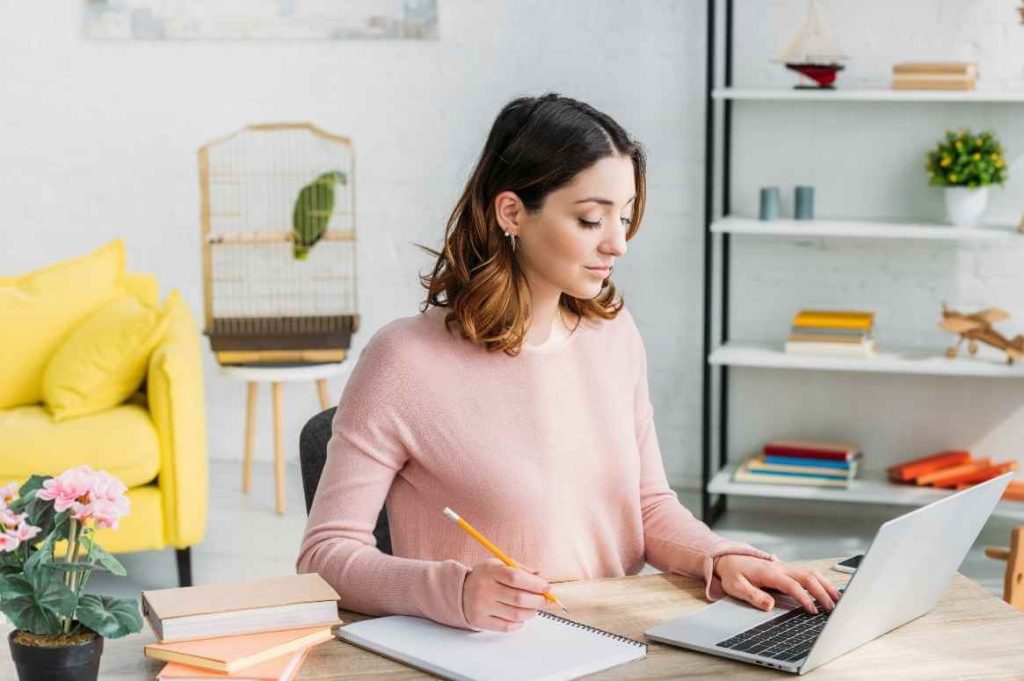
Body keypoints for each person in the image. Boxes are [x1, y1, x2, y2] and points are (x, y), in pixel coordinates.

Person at [297, 93, 841, 633]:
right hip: (487, 657)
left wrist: (720, 557)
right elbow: (324, 555)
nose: (618, 244)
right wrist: (454, 591)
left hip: (620, 642)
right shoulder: (403, 361)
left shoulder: (613, 334)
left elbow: (647, 506)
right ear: (512, 212)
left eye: (624, 218)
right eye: (590, 220)